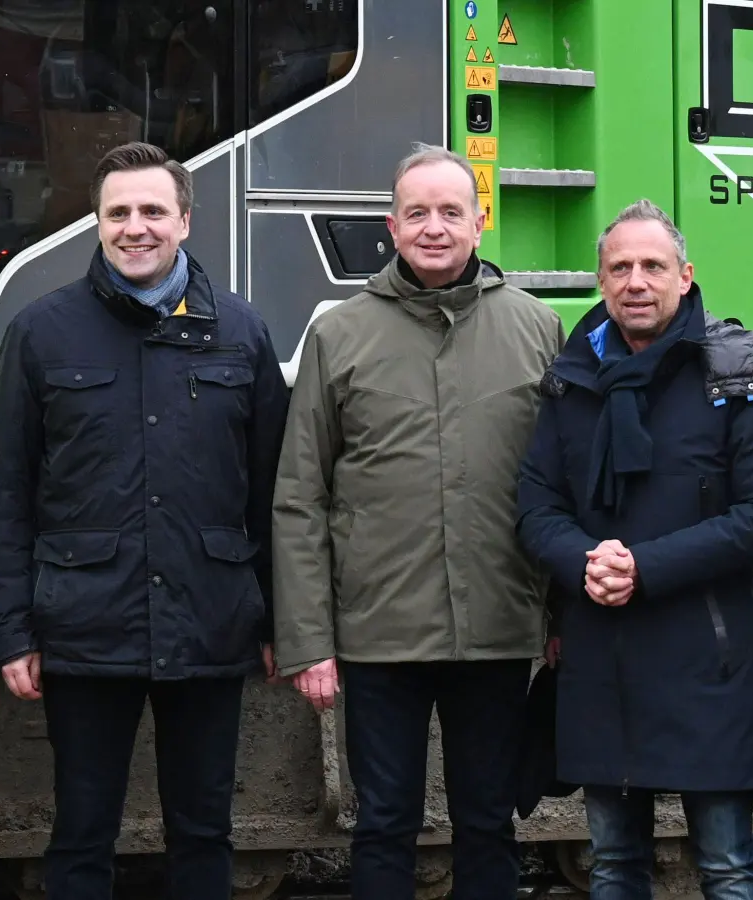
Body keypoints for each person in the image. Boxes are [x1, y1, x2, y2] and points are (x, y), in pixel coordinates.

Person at [0, 141, 289, 899]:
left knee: (204, 830)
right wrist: (12, 629)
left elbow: (274, 495)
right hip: (86, 625)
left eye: (153, 210)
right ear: (97, 222)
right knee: (82, 831)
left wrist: (285, 621)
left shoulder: (242, 335)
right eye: (118, 212)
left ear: (186, 219)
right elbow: (9, 493)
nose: (135, 227)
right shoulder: (41, 333)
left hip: (211, 619)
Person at [272, 144, 564, 900]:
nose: (434, 227)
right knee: (383, 825)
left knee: (489, 824)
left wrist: (562, 615)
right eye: (417, 213)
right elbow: (300, 496)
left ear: (479, 221)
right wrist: (310, 640)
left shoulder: (537, 329)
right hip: (379, 639)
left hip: (498, 629)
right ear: (391, 226)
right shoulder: (339, 335)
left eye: (451, 212)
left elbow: (565, 487)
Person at [515, 199, 753, 900]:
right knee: (613, 866)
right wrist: (585, 561)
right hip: (600, 658)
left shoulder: (735, 368)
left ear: (686, 275)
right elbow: (535, 504)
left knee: (728, 866)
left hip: (707, 655)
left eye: (652, 266)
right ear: (601, 279)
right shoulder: (571, 377)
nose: (635, 281)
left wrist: (644, 568)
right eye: (619, 267)